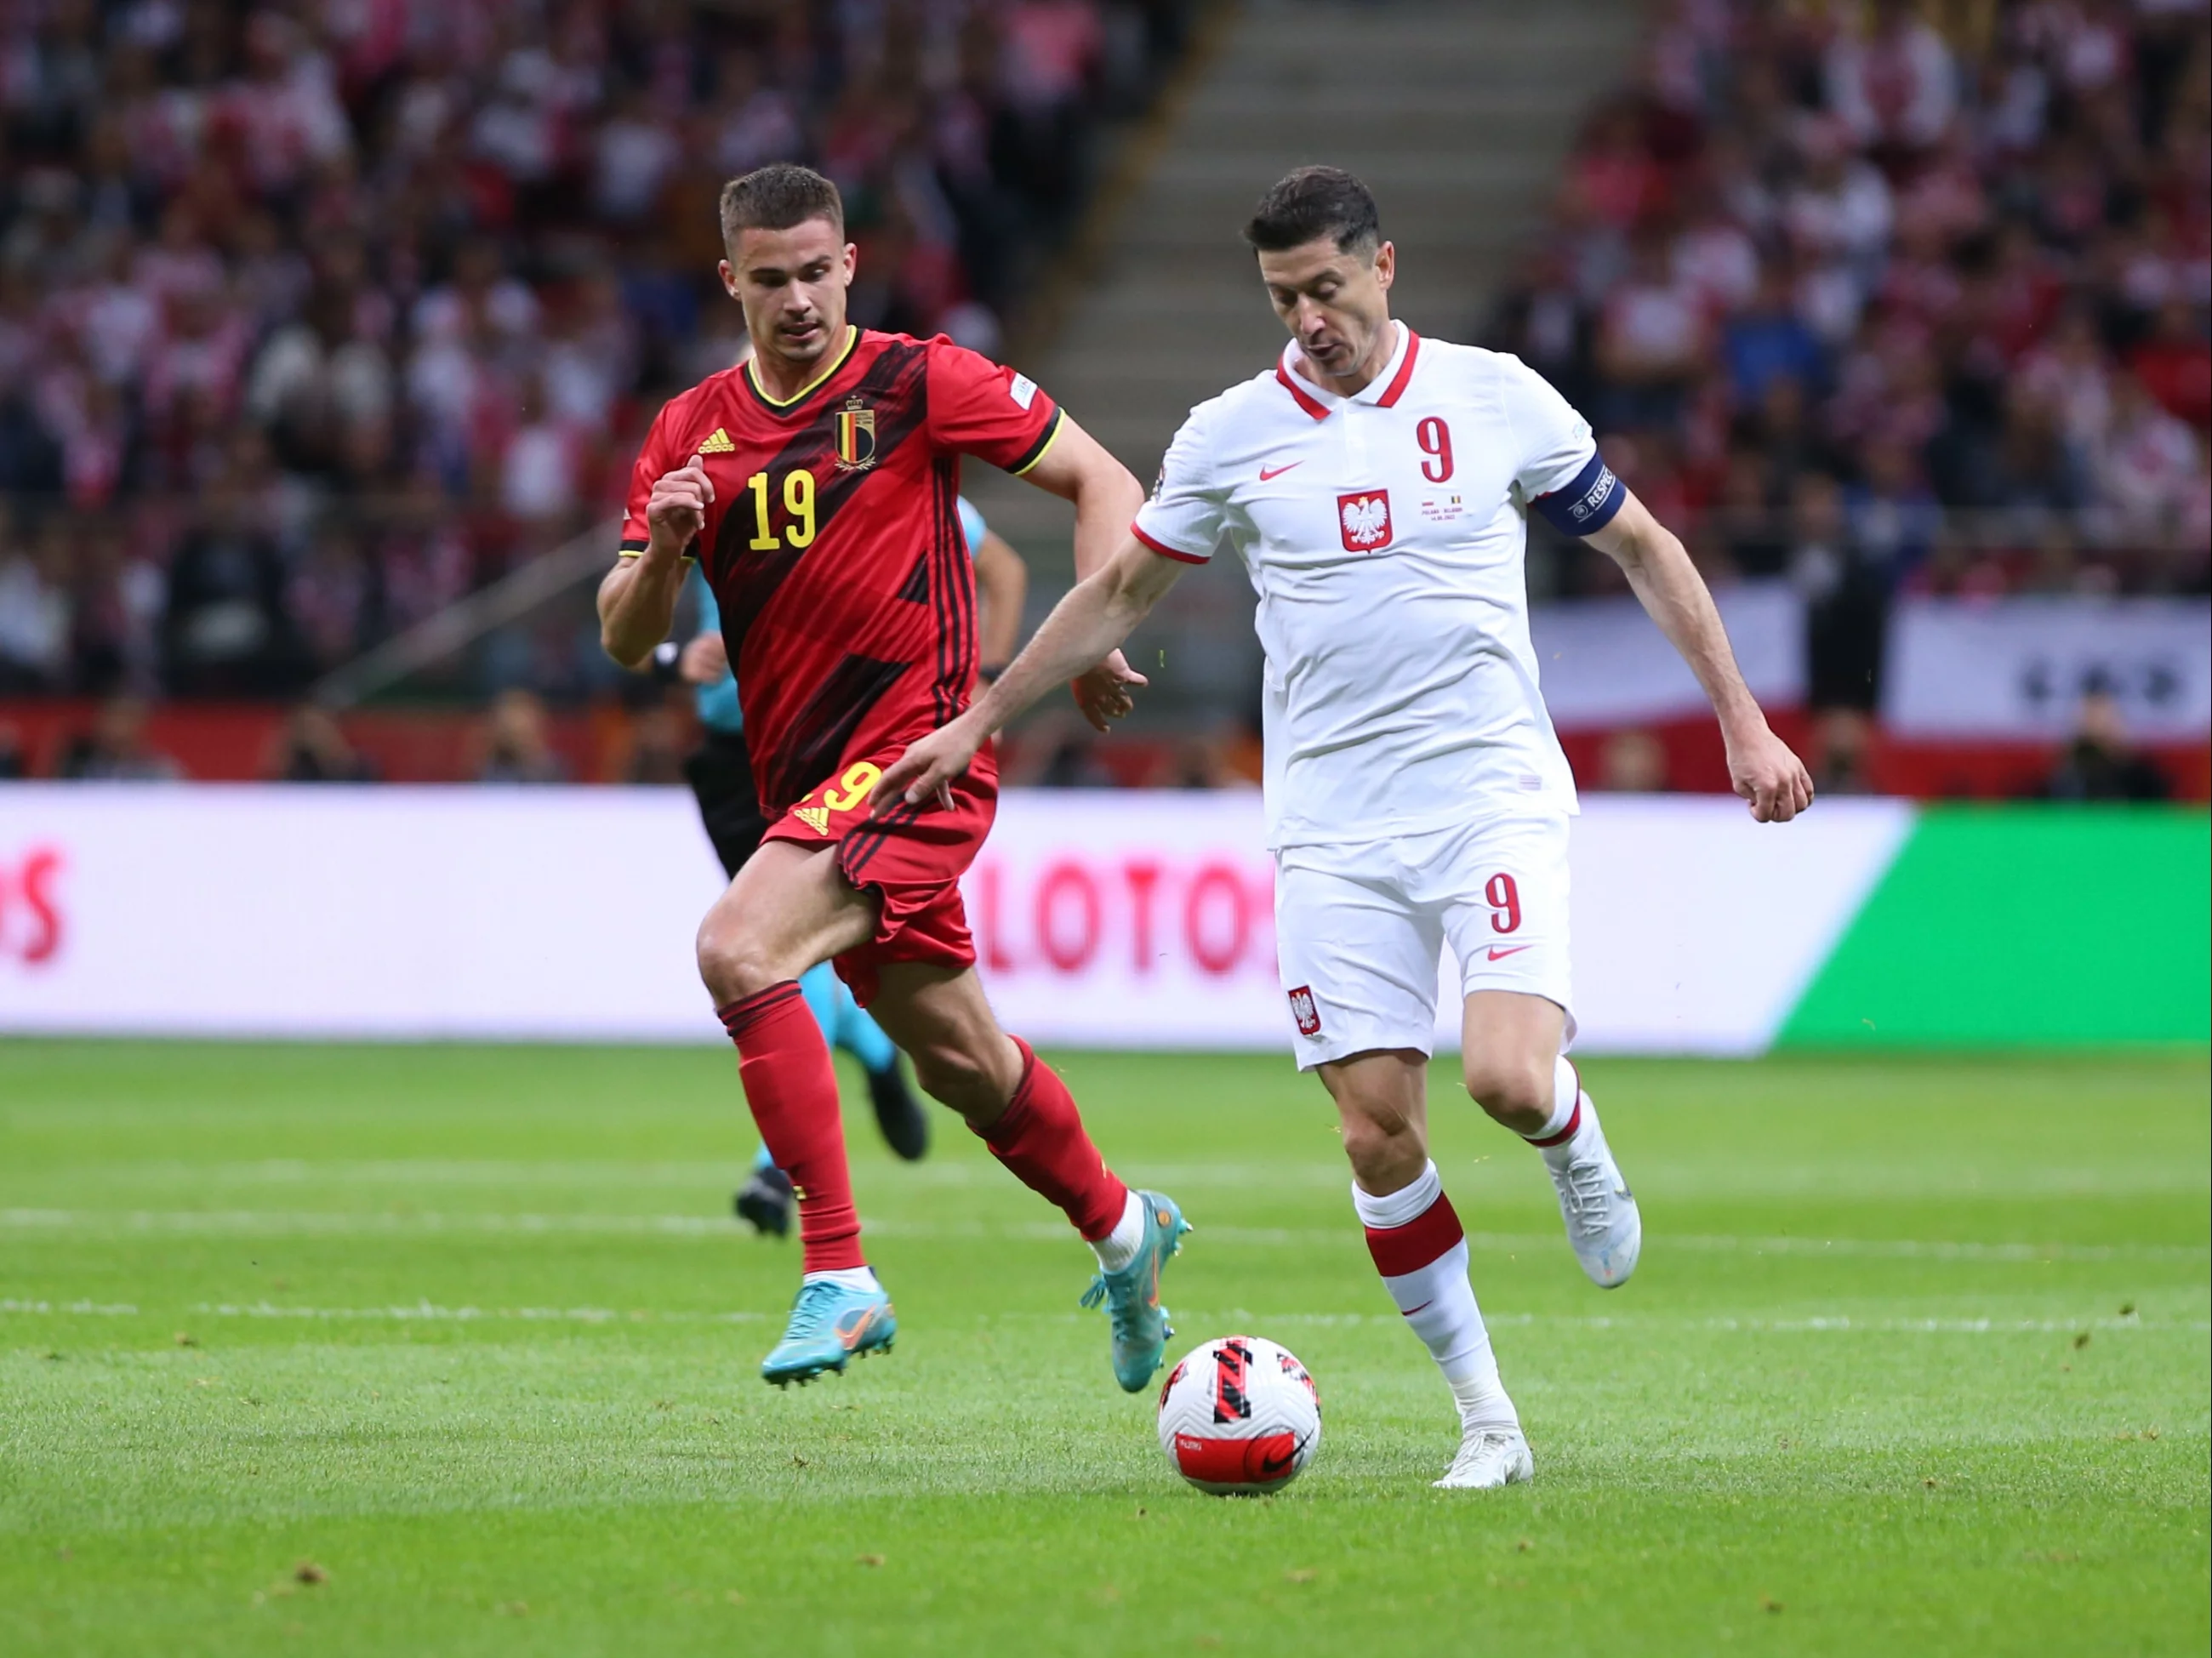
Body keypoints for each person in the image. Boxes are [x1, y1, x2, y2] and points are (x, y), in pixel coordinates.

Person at [878, 168, 1813, 1489]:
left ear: (1385, 267)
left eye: (1325, 287)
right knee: (1378, 1132)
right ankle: (1489, 1420)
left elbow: (1646, 548)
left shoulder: (1496, 396)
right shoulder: (1231, 433)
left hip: (1488, 794)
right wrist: (979, 721)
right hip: (1329, 828)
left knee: (1501, 1077)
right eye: (1282, 296)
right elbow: (1123, 585)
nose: (1308, 317)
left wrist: (1743, 721)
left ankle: (1570, 1136)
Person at [596, 163, 1186, 1393]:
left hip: (920, 758)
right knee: (964, 1061)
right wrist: (661, 551)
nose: (799, 298)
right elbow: (619, 631)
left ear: (851, 262)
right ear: (731, 283)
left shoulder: (921, 382)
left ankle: (839, 1273)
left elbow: (1105, 482)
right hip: (799, 784)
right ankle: (1129, 1231)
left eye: (818, 270)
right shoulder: (688, 430)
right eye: (772, 279)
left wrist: (1095, 641)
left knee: (736, 949)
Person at [660, 491, 1028, 1238]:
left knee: (780, 946)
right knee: (789, 949)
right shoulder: (713, 483)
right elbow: (630, 627)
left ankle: (778, 1164)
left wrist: (985, 681)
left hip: (837, 745)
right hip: (736, 761)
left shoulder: (894, 476)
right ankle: (874, 1054)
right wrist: (674, 656)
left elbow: (1003, 567)